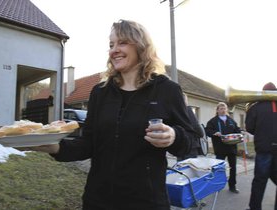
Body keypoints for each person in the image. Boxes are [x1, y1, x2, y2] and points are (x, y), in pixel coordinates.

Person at [30, 19, 195, 210]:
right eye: (111, 45)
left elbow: (191, 141)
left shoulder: (167, 90)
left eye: (122, 42)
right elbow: (88, 144)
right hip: (98, 200)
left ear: (141, 47)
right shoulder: (100, 92)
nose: (114, 49)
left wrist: (174, 136)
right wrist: (55, 147)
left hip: (146, 202)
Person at [245, 82, 277, 210]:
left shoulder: (255, 107)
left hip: (263, 149)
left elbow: (250, 128)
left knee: (259, 181)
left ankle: (255, 208)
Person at [205, 102, 241, 193]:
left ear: (227, 110)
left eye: (224, 108)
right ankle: (217, 186)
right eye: (221, 108)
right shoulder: (212, 121)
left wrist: (240, 134)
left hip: (232, 148)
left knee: (233, 167)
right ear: (217, 110)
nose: (223, 110)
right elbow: (208, 131)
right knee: (218, 168)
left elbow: (237, 130)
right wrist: (214, 133)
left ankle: (232, 186)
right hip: (220, 148)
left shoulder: (231, 120)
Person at [178, 93, 204, 160]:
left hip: (180, 145)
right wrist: (201, 134)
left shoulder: (175, 111)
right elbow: (196, 127)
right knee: (189, 168)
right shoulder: (188, 110)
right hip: (190, 145)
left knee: (180, 167)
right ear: (185, 100)